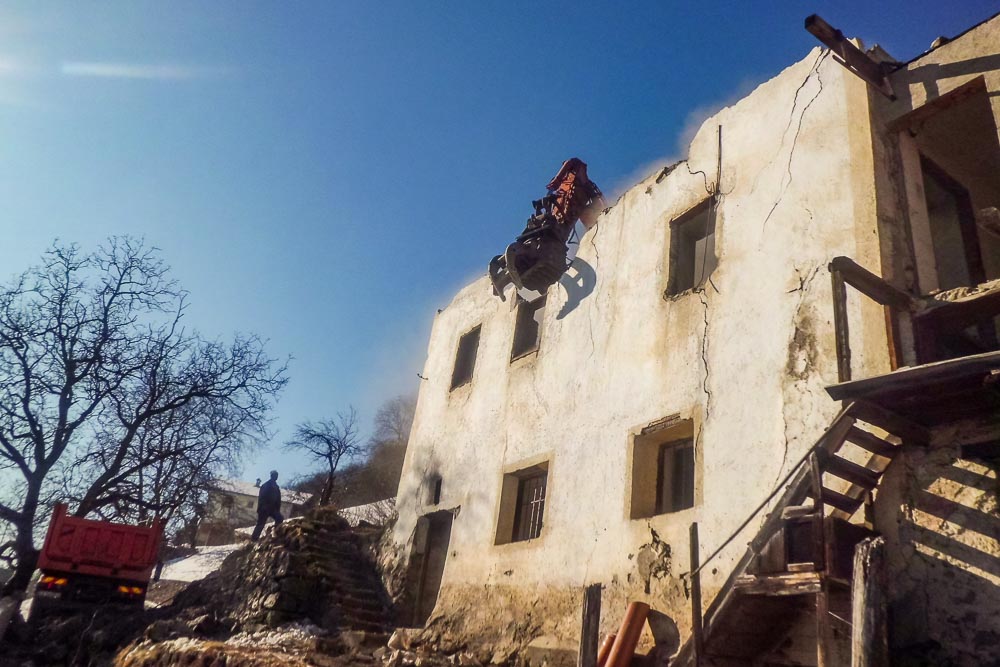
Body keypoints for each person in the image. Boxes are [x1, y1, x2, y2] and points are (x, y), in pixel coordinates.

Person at [251, 470, 284, 541]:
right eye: (275, 475)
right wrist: (262, 508)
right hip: (264, 508)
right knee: (260, 524)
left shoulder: (276, 487)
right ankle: (254, 539)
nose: (276, 477)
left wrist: (277, 510)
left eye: (277, 475)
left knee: (280, 518)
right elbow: (262, 497)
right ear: (272, 476)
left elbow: (278, 499)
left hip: (273, 509)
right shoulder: (266, 485)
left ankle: (275, 534)